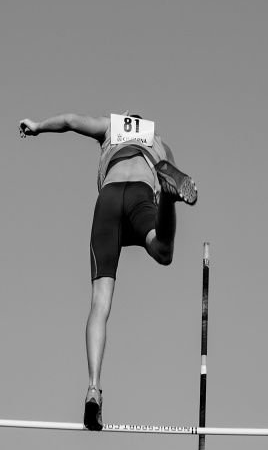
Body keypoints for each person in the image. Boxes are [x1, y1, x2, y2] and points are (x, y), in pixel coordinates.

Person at [18, 112, 197, 430]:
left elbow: (70, 121)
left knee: (99, 304)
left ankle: (93, 388)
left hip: (109, 201)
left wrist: (38, 127)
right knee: (163, 251)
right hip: (141, 195)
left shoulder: (110, 128)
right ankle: (168, 200)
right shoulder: (159, 143)